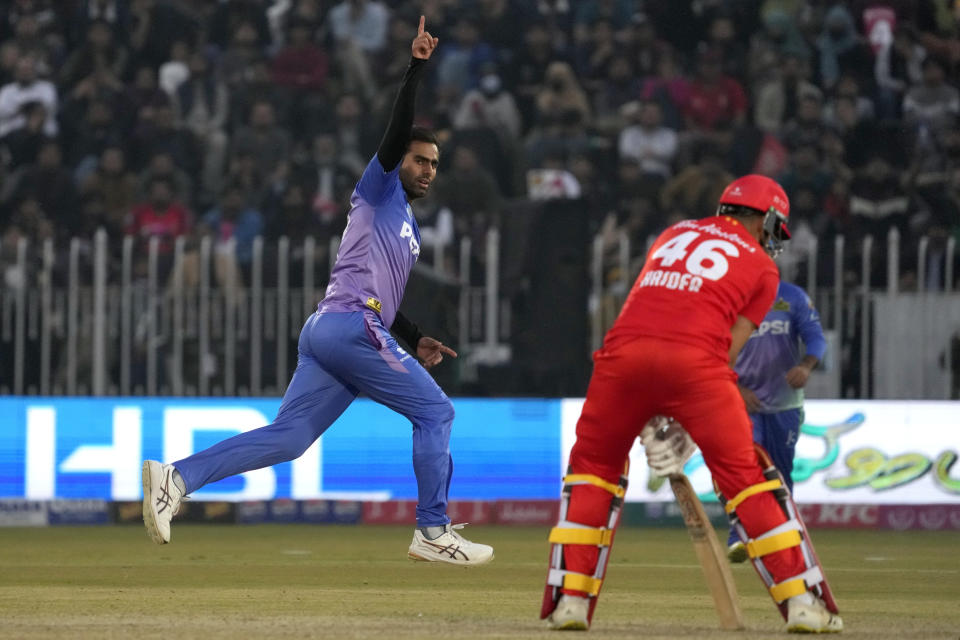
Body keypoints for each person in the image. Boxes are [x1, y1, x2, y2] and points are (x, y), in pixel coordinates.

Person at [141, 16, 494, 567]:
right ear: (398, 160)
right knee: (436, 412)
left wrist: (416, 336)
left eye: (433, 164)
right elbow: (397, 131)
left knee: (289, 438)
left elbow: (382, 294)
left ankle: (177, 478)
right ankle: (432, 530)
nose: (427, 170)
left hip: (333, 329)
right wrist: (416, 68)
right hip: (352, 327)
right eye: (419, 159)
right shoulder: (378, 191)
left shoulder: (406, 226)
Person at [540, 175, 842, 633]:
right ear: (767, 219)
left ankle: (570, 605)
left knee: (592, 470)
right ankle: (802, 603)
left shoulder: (674, 233)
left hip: (622, 357)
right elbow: (728, 350)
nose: (774, 240)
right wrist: (683, 414)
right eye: (775, 230)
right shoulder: (763, 268)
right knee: (746, 478)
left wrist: (653, 409)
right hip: (697, 362)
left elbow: (645, 308)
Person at [727, 280, 827, 562]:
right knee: (747, 468)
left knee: (779, 475)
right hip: (742, 404)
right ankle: (739, 536)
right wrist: (734, 388)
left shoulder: (792, 296)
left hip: (785, 405)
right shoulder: (730, 294)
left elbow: (816, 338)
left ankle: (784, 536)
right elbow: (712, 349)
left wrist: (806, 366)